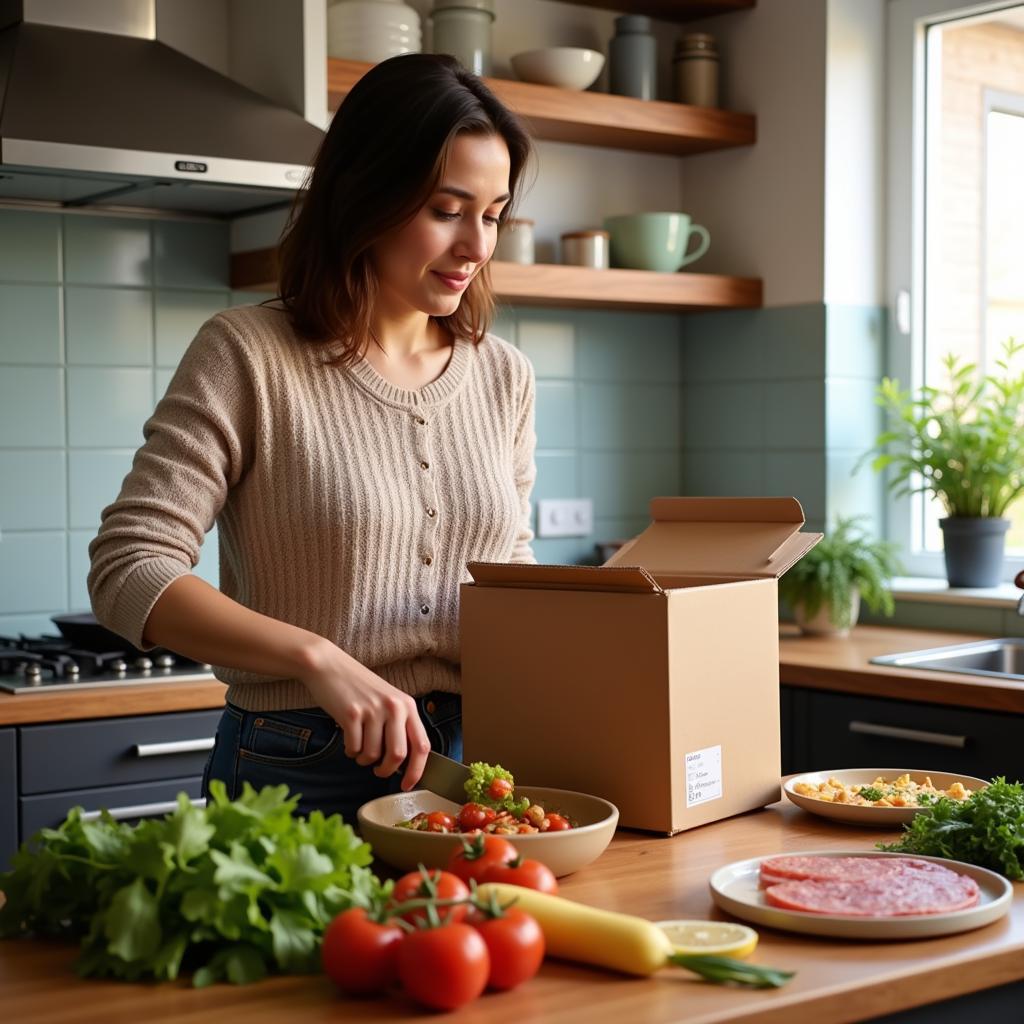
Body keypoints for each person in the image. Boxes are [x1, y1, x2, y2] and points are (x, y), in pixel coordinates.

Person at [87, 53, 537, 824]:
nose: (476, 246)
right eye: (445, 208)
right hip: (297, 764)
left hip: (471, 766)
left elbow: (506, 573)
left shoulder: (504, 375)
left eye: (492, 214)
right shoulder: (246, 353)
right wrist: (318, 658)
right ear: (367, 197)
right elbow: (129, 566)